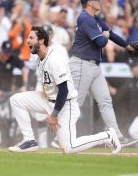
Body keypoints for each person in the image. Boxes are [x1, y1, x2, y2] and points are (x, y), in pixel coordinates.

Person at [8, 26, 121, 154]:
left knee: (68, 148)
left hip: (65, 105)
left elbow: (64, 90)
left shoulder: (54, 59)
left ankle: (107, 136)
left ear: (41, 41)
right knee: (16, 100)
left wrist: (53, 114)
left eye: (31, 38)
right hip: (48, 99)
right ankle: (29, 140)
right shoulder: (39, 58)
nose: (27, 41)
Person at [69, 0, 138, 147]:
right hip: (81, 64)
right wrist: (105, 36)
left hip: (93, 66)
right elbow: (101, 42)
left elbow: (111, 33)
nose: (99, 1)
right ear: (89, 3)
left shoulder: (95, 18)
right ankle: (60, 137)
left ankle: (116, 136)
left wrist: (128, 47)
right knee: (75, 104)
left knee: (105, 101)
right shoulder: (85, 18)